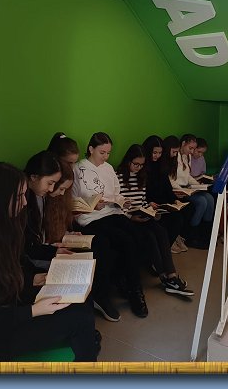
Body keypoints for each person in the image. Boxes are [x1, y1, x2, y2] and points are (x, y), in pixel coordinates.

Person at [0, 162, 98, 361]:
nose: (24, 203)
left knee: (80, 301)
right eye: (19, 197)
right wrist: (33, 310)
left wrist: (33, 279)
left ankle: (86, 340)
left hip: (14, 305)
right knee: (81, 318)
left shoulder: (5, 229)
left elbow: (14, 272)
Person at [72, 132, 149, 318]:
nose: (106, 157)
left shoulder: (108, 168)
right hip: (90, 218)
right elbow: (72, 200)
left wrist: (122, 202)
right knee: (123, 241)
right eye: (102, 152)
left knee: (139, 236)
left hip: (112, 212)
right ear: (91, 149)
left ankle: (128, 283)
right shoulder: (78, 169)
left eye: (108, 153)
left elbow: (116, 193)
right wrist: (92, 205)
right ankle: (132, 292)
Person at [46, 155, 120, 322]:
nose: (61, 193)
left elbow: (60, 224)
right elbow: (42, 236)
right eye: (60, 188)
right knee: (99, 249)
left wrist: (68, 233)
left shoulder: (58, 197)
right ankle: (97, 297)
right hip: (52, 244)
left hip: (63, 237)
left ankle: (101, 295)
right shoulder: (44, 197)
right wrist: (58, 241)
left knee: (103, 245)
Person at [116, 144, 194, 297]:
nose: (138, 168)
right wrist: (131, 217)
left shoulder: (141, 176)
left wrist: (151, 209)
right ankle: (165, 278)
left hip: (142, 213)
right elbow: (117, 204)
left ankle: (172, 275)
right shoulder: (117, 176)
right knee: (150, 236)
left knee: (161, 231)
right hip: (128, 217)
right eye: (136, 164)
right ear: (128, 161)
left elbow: (142, 200)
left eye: (141, 165)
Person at [141, 135, 187, 252]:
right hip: (150, 203)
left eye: (160, 153)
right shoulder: (142, 166)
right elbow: (141, 191)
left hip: (162, 203)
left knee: (178, 217)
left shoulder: (161, 165)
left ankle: (166, 247)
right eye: (154, 152)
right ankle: (163, 249)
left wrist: (175, 200)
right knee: (164, 221)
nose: (157, 156)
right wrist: (149, 202)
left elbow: (167, 187)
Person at [170, 134, 215, 250]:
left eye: (193, 149)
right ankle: (191, 236)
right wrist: (182, 189)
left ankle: (205, 234)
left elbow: (188, 176)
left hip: (187, 187)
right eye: (190, 148)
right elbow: (171, 179)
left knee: (209, 198)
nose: (191, 151)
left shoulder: (187, 157)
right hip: (178, 189)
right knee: (202, 201)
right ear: (183, 143)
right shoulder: (174, 156)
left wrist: (198, 185)